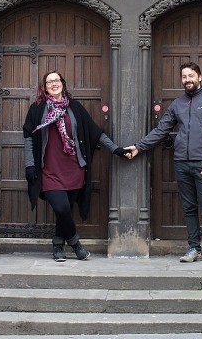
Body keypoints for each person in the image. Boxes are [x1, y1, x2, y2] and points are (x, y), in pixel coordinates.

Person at [24, 70, 133, 261]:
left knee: (65, 209)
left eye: (57, 80)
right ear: (44, 87)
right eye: (49, 82)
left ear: (63, 83)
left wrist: (116, 149)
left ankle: (58, 246)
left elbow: (95, 132)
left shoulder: (74, 107)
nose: (54, 84)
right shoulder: (37, 108)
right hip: (49, 170)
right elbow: (28, 137)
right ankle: (75, 244)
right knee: (61, 208)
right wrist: (29, 165)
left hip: (74, 168)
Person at [125, 61, 202, 263]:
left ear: (200, 77)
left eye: (190, 76)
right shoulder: (177, 104)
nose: (187, 80)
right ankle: (194, 248)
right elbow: (161, 130)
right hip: (181, 162)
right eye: (184, 77)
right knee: (189, 207)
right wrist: (139, 146)